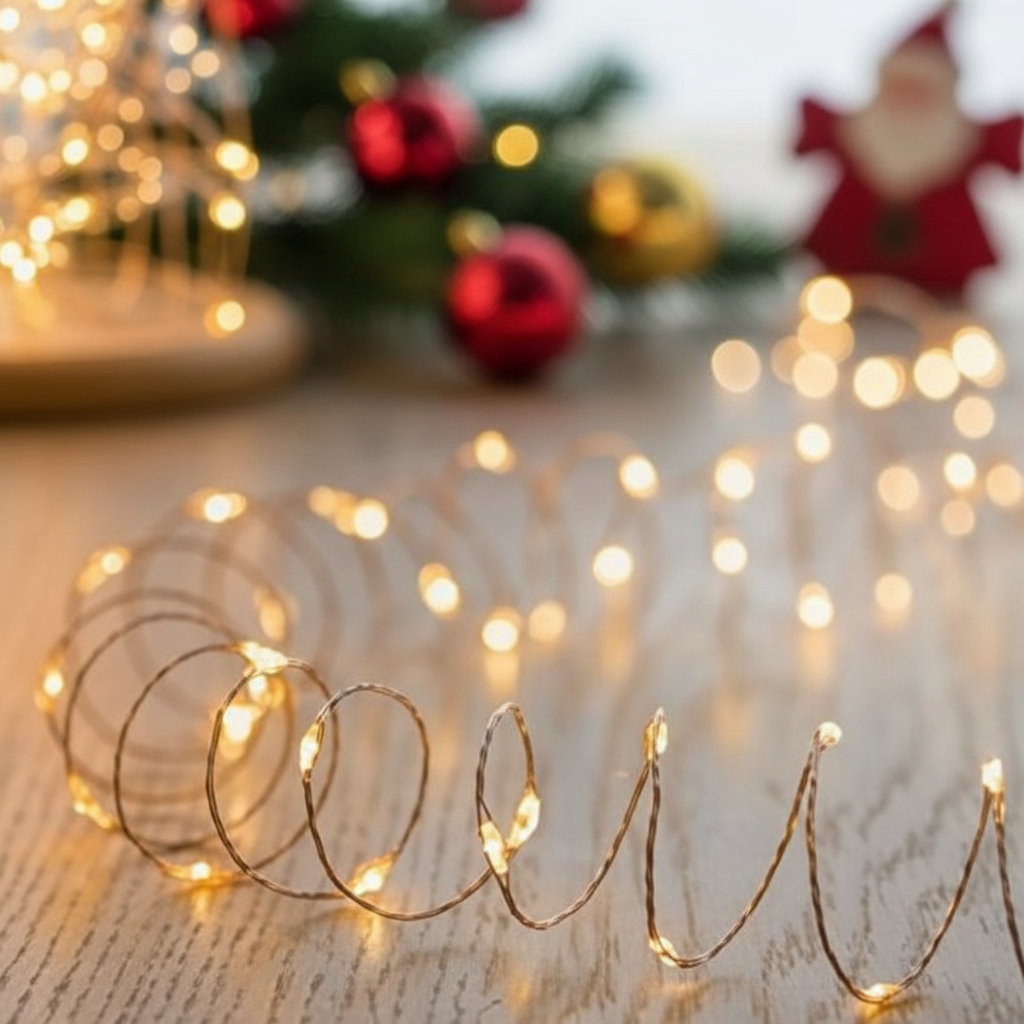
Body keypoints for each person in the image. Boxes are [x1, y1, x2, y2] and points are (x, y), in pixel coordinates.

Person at [795, 2, 1023, 296]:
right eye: (900, 88)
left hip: (945, 284)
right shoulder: (852, 132)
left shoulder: (964, 141)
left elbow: (1003, 149)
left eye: (919, 92)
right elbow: (815, 132)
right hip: (843, 283)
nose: (906, 104)